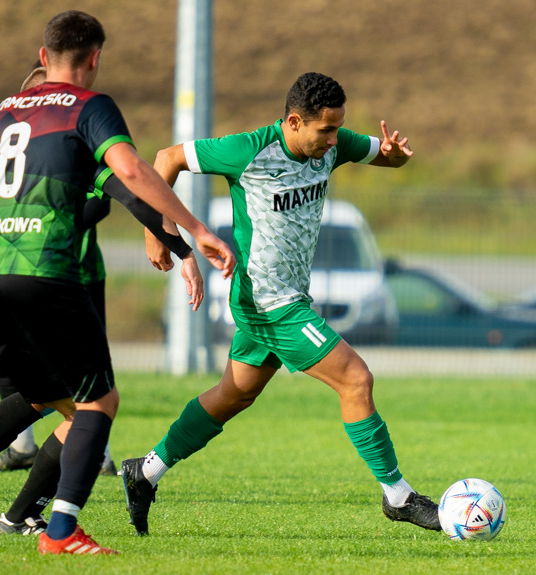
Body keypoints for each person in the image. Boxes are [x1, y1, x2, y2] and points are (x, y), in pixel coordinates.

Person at [120, 71, 441, 536]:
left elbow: (385, 157)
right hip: (269, 302)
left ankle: (145, 472)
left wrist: (394, 158)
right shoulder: (248, 149)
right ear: (294, 121)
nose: (335, 140)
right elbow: (165, 159)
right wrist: (157, 232)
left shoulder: (332, 144)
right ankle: (398, 496)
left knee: (235, 394)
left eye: (338, 129)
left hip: (287, 298)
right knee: (356, 378)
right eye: (326, 131)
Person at [0, 11, 234, 555]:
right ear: (95, 58)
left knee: (44, 397)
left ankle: (23, 514)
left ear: (42, 58)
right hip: (44, 274)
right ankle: (60, 534)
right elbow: (132, 174)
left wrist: (180, 245)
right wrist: (196, 229)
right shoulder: (89, 109)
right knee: (97, 403)